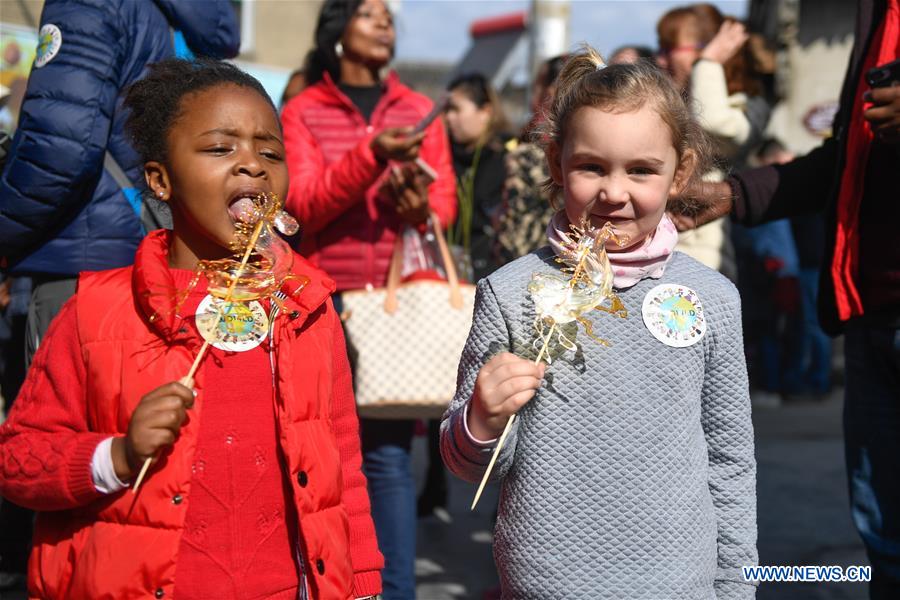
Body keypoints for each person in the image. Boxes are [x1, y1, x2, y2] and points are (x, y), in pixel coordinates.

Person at [0, 58, 382, 600]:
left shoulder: (306, 310)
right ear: (160, 180)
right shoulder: (96, 312)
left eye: (269, 151)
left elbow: (343, 469)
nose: (251, 164)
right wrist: (115, 456)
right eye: (221, 148)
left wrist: (361, 585)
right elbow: (18, 461)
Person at [441, 47, 757, 599]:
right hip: (547, 579)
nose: (614, 193)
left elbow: (730, 462)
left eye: (641, 170)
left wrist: (735, 585)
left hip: (679, 581)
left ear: (680, 172)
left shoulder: (713, 299)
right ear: (555, 164)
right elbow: (470, 466)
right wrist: (481, 419)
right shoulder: (511, 293)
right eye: (591, 167)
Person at [670, 1, 899, 595]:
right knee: (882, 538)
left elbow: (718, 120)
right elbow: (842, 161)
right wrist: (732, 195)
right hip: (871, 312)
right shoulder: (874, 18)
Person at [280, 1, 456, 597]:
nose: (385, 23)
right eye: (368, 13)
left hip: (394, 308)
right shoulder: (302, 111)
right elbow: (300, 205)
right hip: (320, 303)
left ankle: (395, 592)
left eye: (388, 15)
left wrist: (420, 208)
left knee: (383, 459)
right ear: (338, 29)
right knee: (316, 449)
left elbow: (446, 206)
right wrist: (372, 155)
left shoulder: (416, 110)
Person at [0, 0, 240, 366]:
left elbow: (60, 149)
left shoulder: (91, 4)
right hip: (170, 261)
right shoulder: (192, 15)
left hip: (82, 263)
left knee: (59, 418)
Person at [495, 54, 568, 263]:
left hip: (531, 260)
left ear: (552, 91)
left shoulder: (529, 153)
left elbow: (513, 222)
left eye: (538, 86)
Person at [444, 72, 512, 281]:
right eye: (446, 110)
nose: (448, 117)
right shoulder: (443, 154)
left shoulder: (509, 157)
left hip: (496, 275)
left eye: (456, 109)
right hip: (448, 275)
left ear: (486, 111)